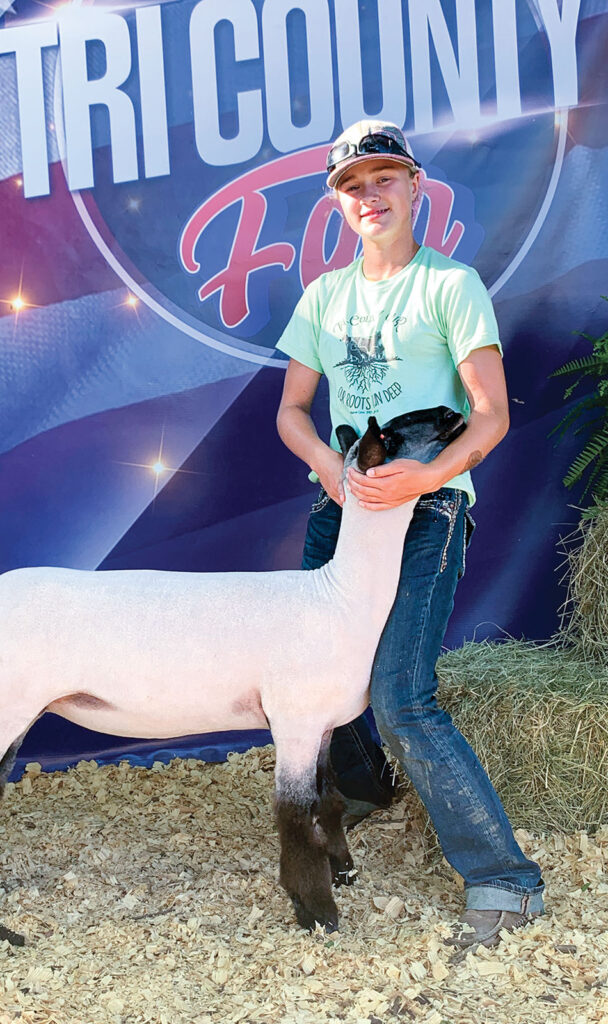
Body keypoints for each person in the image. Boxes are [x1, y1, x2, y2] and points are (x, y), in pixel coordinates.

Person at [275, 120, 544, 948]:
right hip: (342, 513)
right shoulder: (324, 297)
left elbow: (490, 415)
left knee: (399, 694)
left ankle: (505, 878)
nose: (370, 196)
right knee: (322, 679)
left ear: (415, 187)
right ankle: (361, 790)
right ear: (336, 203)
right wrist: (325, 461)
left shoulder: (451, 285)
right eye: (353, 185)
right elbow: (290, 411)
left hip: (424, 513)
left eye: (384, 179)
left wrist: (428, 476)